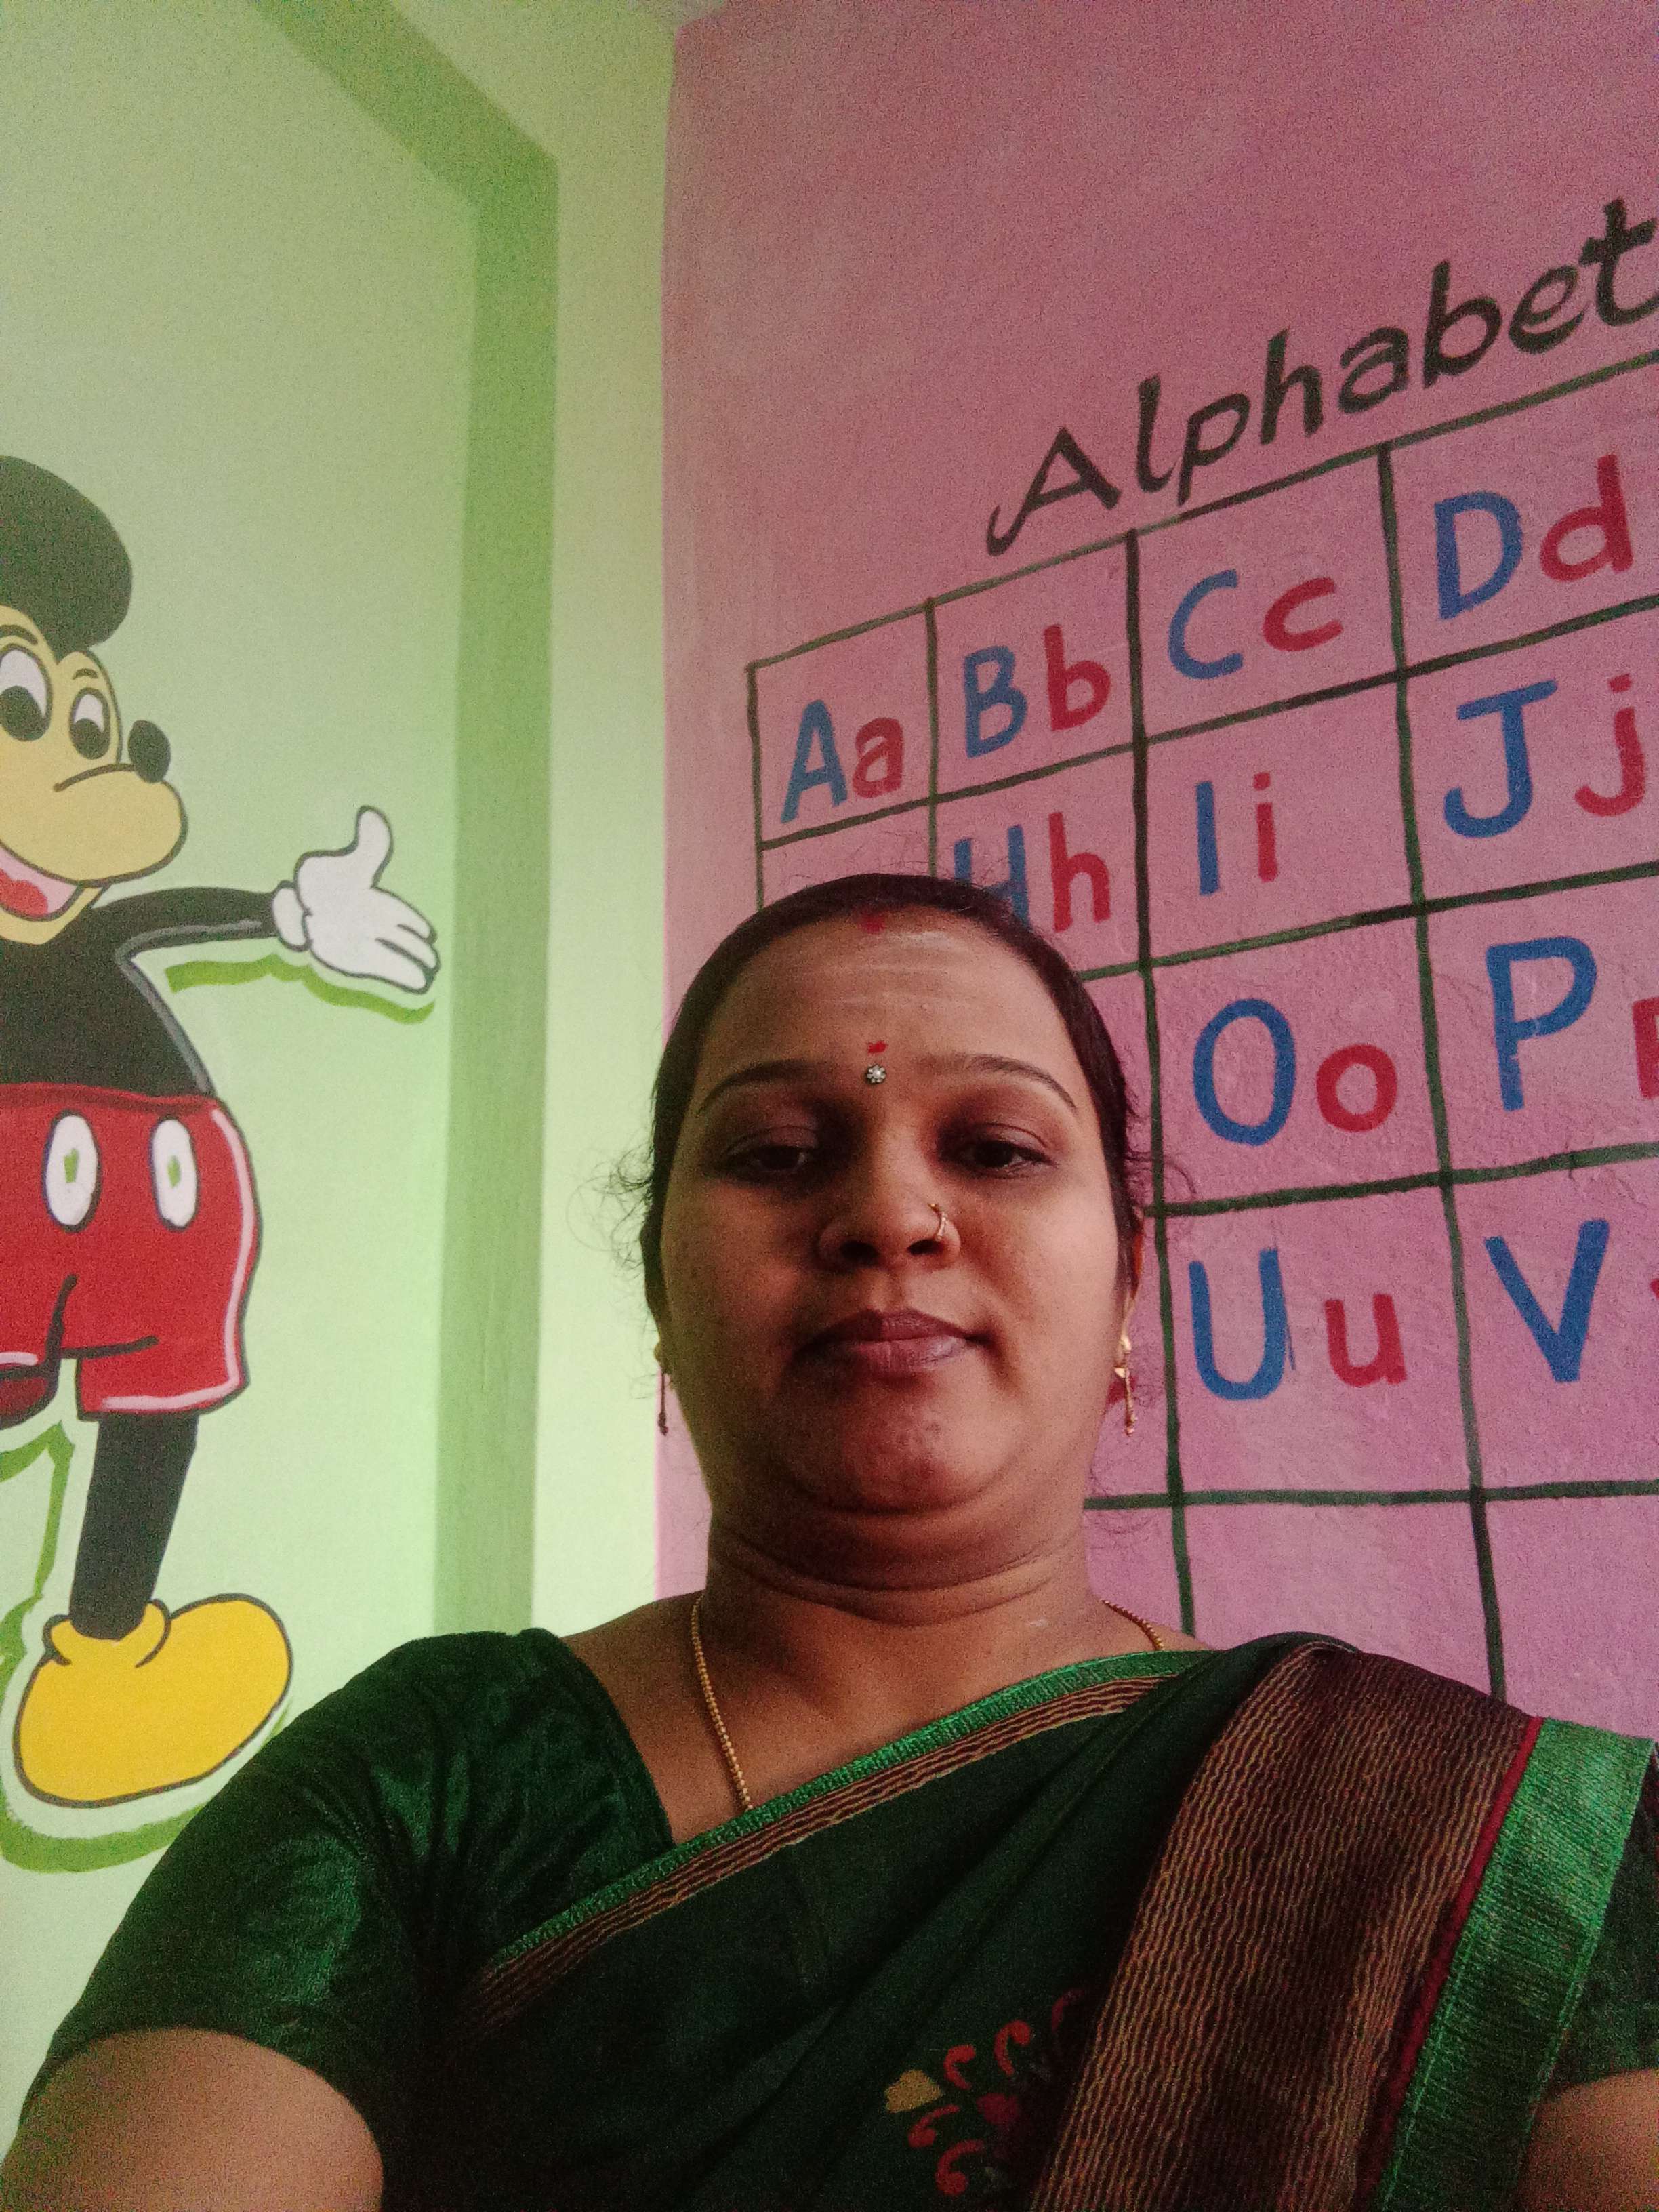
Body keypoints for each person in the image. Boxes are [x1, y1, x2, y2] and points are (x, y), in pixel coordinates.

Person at [3, 871, 1656, 2211]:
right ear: (659, 1293)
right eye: (779, 1155)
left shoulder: (1431, 1832)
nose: (888, 1215)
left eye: (996, 1149)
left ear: (1129, 1290)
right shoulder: (418, 1788)